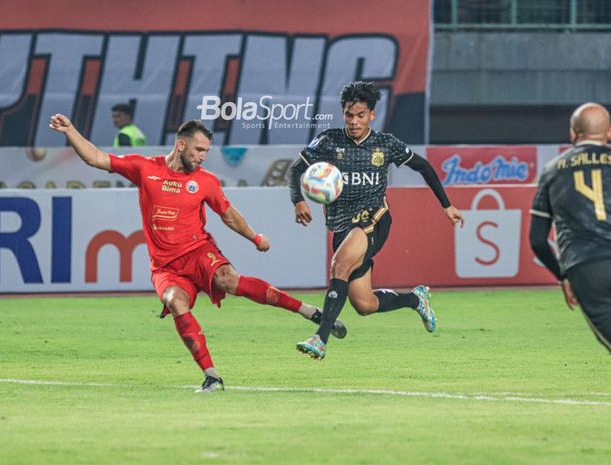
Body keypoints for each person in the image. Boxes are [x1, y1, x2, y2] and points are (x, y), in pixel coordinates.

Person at [49, 115, 347, 392]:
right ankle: (211, 375)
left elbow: (227, 214)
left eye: (206, 151)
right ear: (181, 145)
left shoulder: (205, 181)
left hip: (198, 251)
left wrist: (254, 237)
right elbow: (96, 158)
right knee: (175, 303)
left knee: (230, 280)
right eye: (199, 149)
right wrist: (70, 131)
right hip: (165, 266)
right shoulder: (145, 168)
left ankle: (310, 312)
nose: (203, 156)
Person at [287, 81, 464, 360]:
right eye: (348, 114)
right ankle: (415, 299)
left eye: (360, 115)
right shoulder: (328, 142)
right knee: (364, 303)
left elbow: (423, 166)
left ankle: (320, 338)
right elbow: (295, 169)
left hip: (375, 219)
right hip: (343, 226)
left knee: (338, 265)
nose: (354, 121)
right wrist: (298, 199)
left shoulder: (385, 144)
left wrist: (447, 205)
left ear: (372, 114)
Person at [530, 102, 611, 354]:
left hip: (586, 268)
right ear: (608, 133)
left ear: (573, 134)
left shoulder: (552, 171)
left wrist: (562, 277)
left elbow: (538, 240)